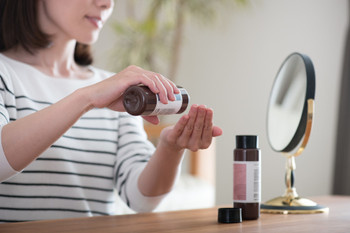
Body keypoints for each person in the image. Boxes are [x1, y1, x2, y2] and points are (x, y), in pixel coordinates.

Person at [0, 0, 222, 222]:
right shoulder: (7, 74)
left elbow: (141, 200)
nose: (106, 3)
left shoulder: (113, 87)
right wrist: (85, 98)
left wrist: (170, 149)